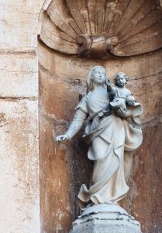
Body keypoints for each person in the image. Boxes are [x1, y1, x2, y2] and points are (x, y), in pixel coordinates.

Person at [56, 66, 143, 207]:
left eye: (103, 73)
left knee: (116, 158)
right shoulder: (87, 98)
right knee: (100, 157)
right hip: (97, 129)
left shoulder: (112, 92)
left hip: (115, 126)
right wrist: (68, 134)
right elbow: (78, 119)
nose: (101, 74)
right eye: (97, 72)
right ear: (91, 77)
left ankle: (110, 198)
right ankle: (97, 196)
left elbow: (124, 104)